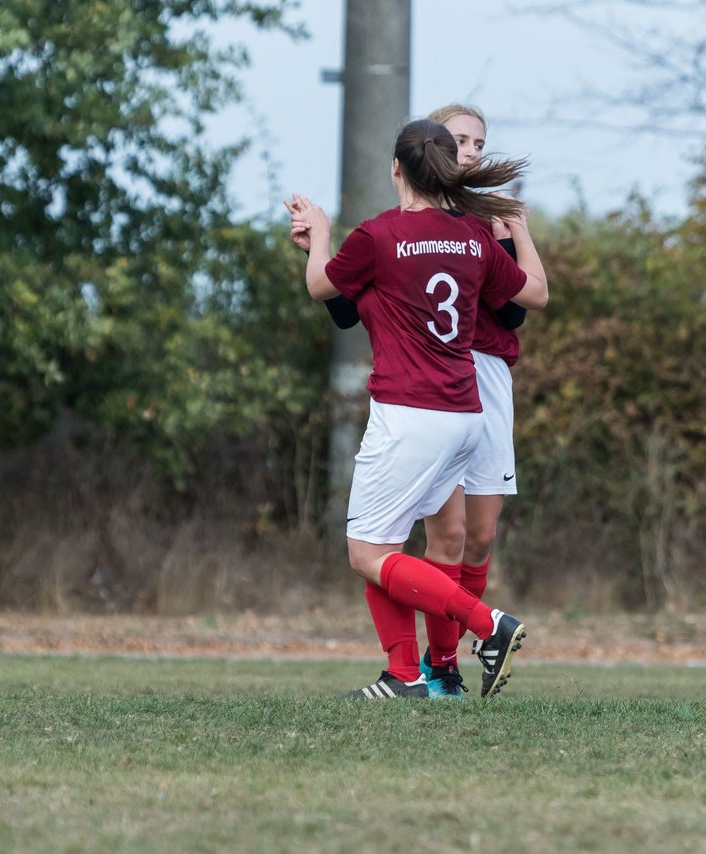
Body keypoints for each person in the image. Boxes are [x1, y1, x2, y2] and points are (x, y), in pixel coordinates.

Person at [287, 118, 548, 699]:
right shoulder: (473, 238)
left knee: (366, 551)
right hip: (463, 413)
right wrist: (518, 233)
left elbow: (322, 288)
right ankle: (404, 675)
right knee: (390, 541)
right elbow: (531, 294)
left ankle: (488, 626)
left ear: (396, 169)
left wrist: (321, 235)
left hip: (409, 413)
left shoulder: (379, 235)